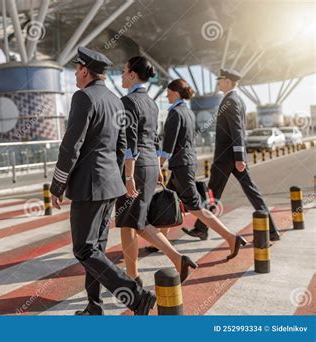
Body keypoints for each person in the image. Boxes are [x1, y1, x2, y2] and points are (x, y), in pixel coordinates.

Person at [50, 47, 156, 316]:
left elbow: (71, 147)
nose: (75, 74)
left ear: (85, 71)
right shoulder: (114, 100)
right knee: (96, 249)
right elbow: (122, 146)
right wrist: (114, 175)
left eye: (76, 69)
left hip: (89, 186)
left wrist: (57, 185)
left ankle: (136, 296)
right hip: (110, 184)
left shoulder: (83, 98)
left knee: (84, 250)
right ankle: (94, 306)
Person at [116, 56, 197, 284]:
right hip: (150, 163)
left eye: (123, 71)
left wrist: (128, 175)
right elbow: (153, 137)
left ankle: (140, 274)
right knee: (134, 221)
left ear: (132, 74)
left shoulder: (128, 101)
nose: (122, 75)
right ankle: (144, 270)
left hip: (136, 167)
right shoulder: (151, 102)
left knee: (131, 222)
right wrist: (157, 168)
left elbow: (130, 142)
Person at [182, 69, 281, 241]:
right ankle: (271, 230)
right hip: (232, 159)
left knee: (213, 192)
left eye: (220, 80)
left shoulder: (231, 100)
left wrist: (240, 158)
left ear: (227, 81)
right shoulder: (234, 99)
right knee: (242, 192)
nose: (218, 83)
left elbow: (237, 131)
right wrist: (239, 157)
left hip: (226, 159)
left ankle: (202, 228)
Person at [160, 79, 247, 260]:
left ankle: (231, 238)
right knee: (168, 204)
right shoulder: (188, 112)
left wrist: (158, 165)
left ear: (176, 92)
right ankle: (161, 241)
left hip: (181, 166)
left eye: (168, 91)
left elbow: (168, 145)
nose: (166, 95)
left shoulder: (175, 113)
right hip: (184, 165)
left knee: (197, 208)